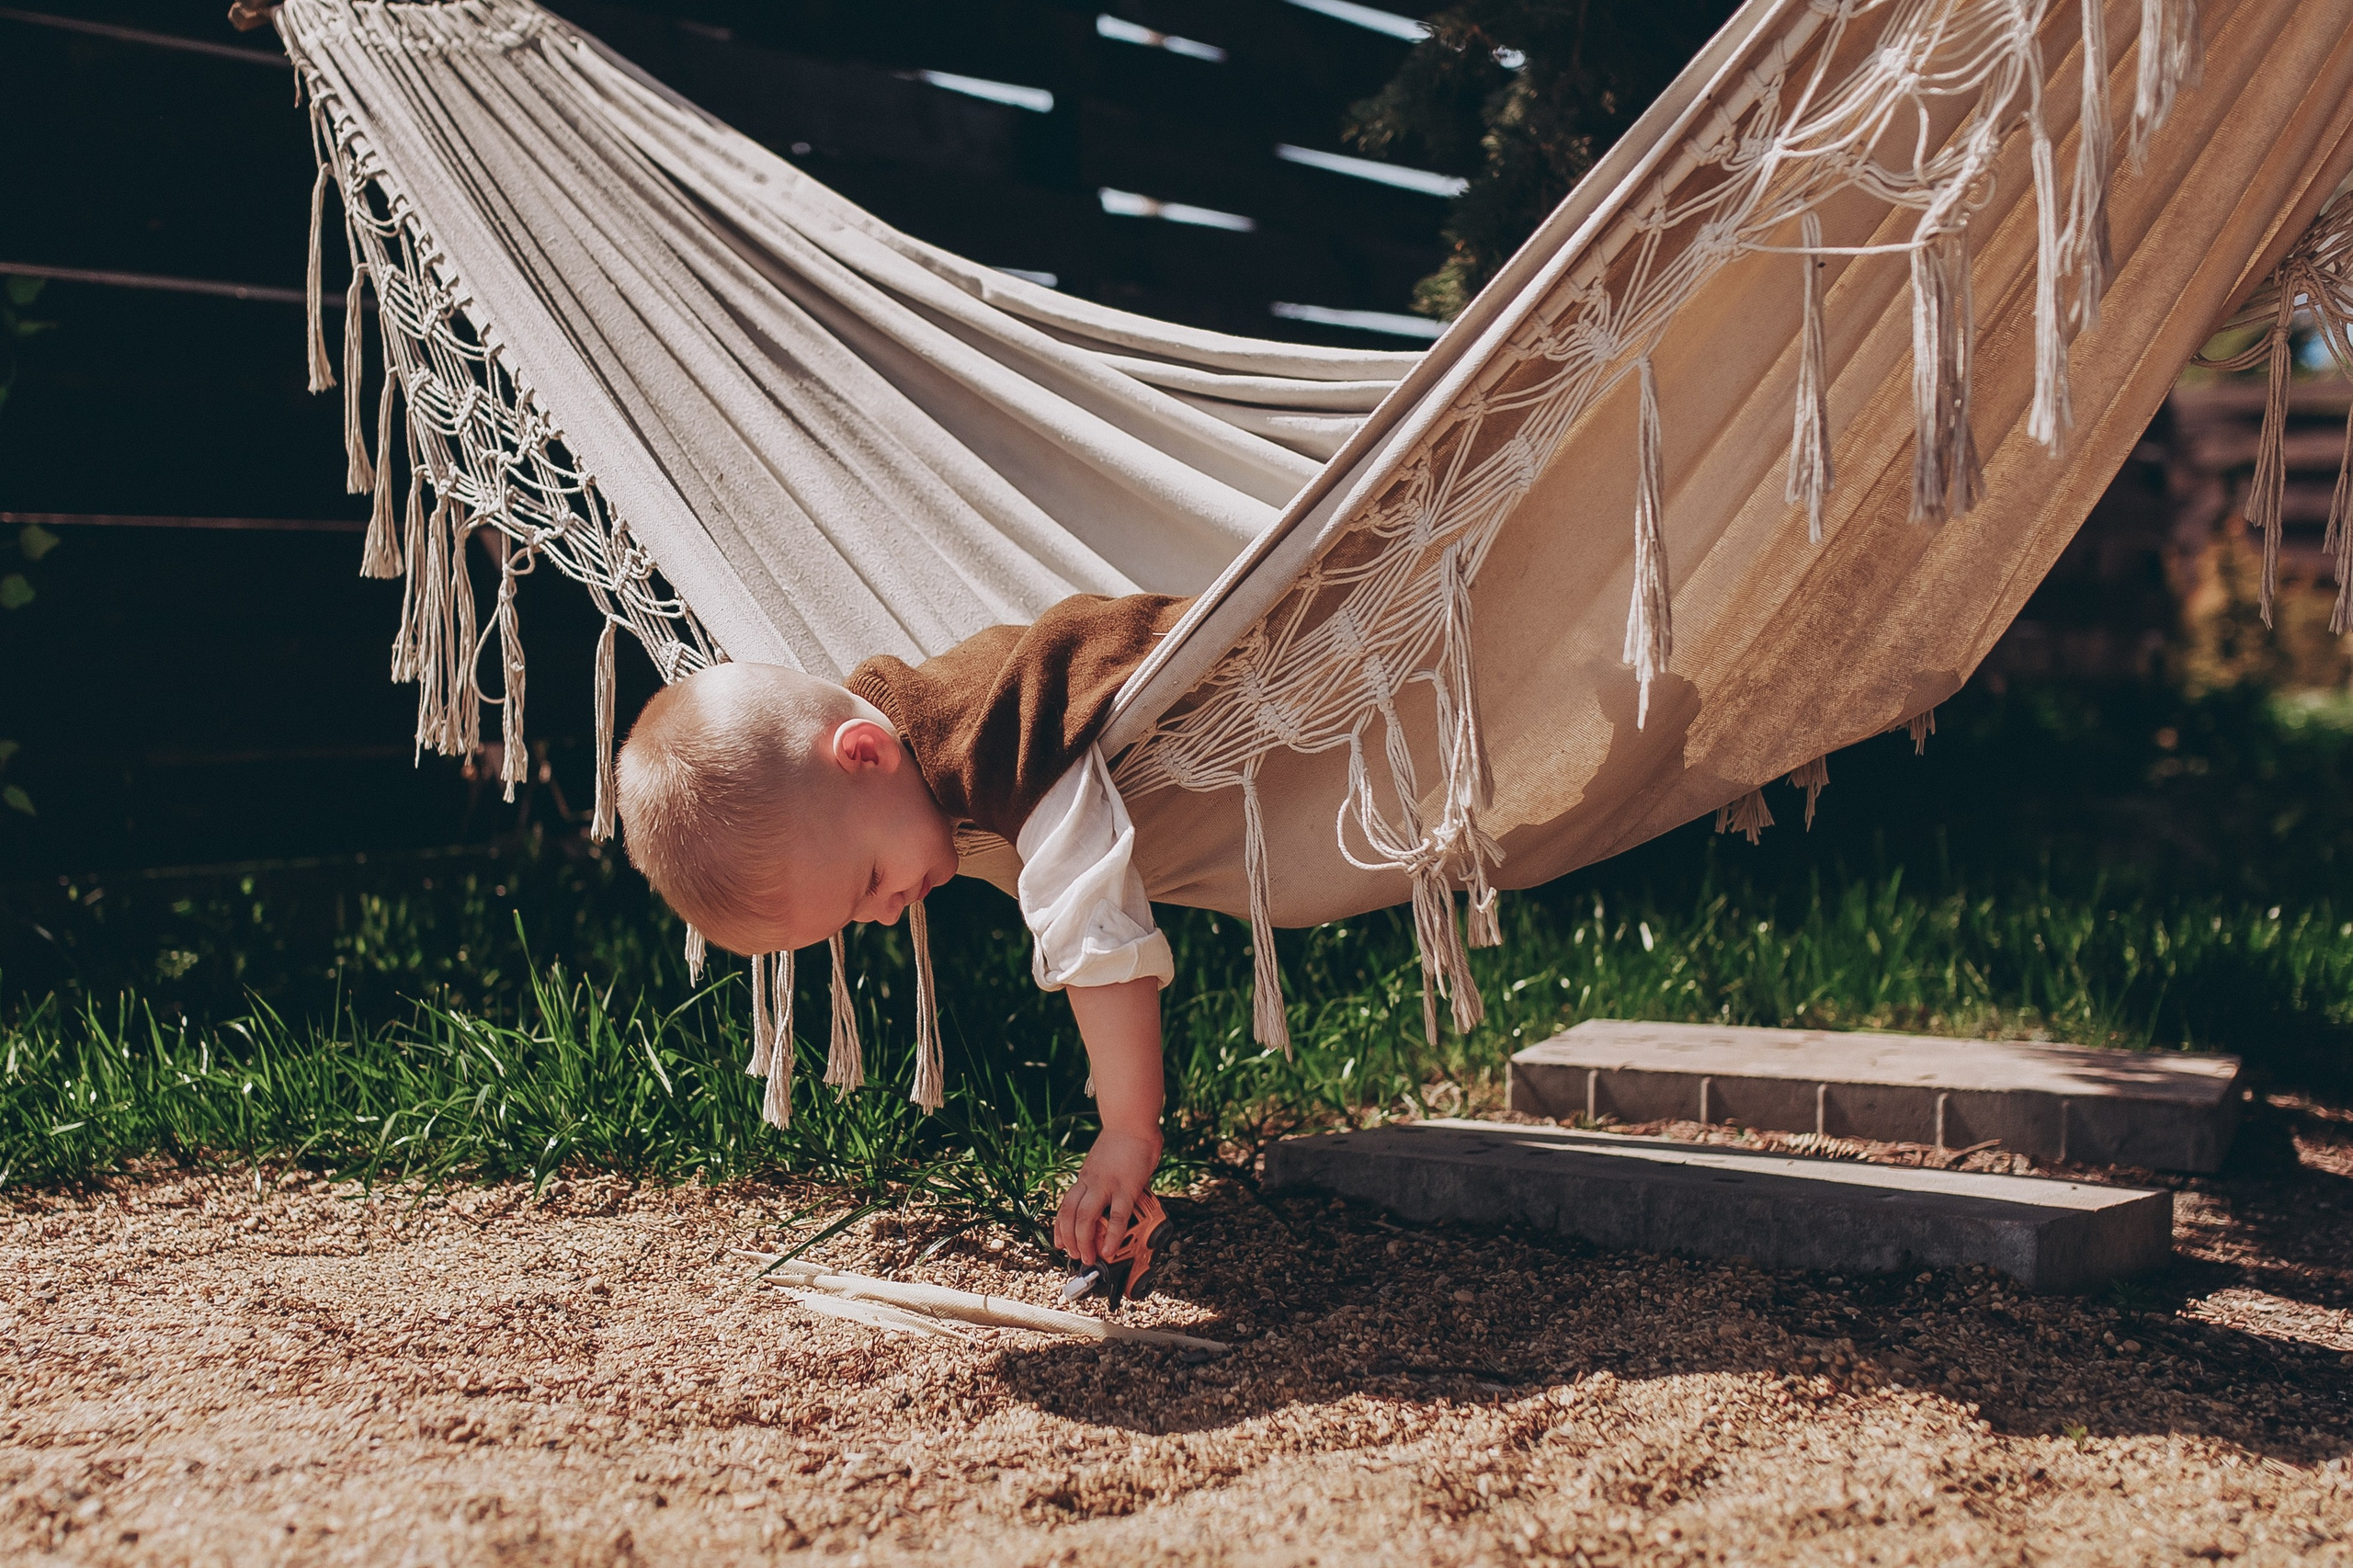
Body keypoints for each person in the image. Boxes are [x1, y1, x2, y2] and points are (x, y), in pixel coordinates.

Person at [614, 593, 1188, 1275]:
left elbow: (1091, 910)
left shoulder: (995, 727)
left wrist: (1127, 1127)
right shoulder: (914, 750)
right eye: (859, 915)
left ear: (866, 753)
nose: (886, 913)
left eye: (870, 881)